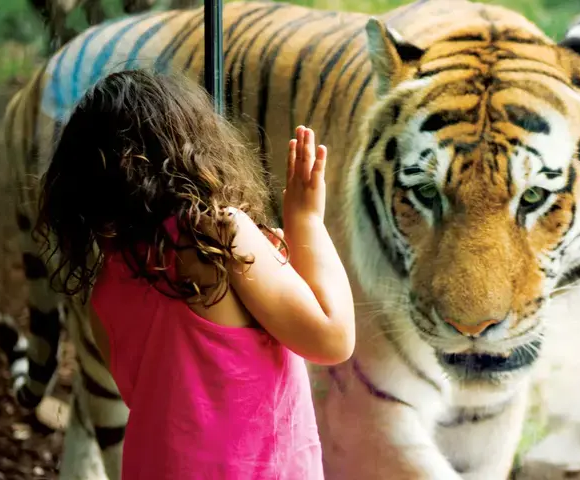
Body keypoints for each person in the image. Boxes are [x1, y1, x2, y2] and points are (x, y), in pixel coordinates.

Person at [35, 69, 355, 480]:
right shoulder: (220, 235)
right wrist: (306, 220)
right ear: (194, 146)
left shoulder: (105, 290)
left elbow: (158, 401)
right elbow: (333, 338)